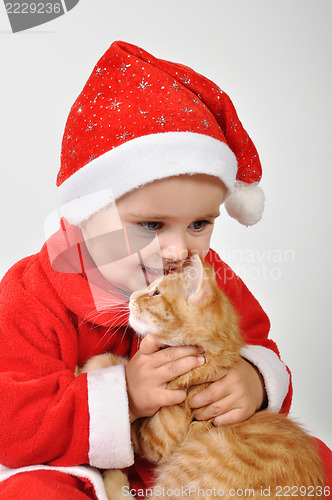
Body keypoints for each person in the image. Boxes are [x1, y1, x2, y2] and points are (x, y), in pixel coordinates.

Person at [0, 41, 330, 499]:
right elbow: (12, 422)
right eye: (151, 224)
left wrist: (252, 382)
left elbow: (256, 343)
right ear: (85, 212)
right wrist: (125, 396)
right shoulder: (31, 292)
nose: (178, 249)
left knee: (316, 464)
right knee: (30, 493)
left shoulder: (207, 278)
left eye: (199, 223)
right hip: (88, 474)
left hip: (201, 466)